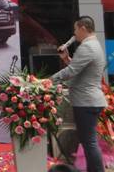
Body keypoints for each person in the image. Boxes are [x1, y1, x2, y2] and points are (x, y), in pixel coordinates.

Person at [52, 16, 107, 172]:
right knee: (88, 141)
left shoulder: (87, 47)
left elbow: (71, 71)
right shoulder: (93, 45)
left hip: (86, 101)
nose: (74, 33)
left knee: (89, 142)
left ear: (83, 28)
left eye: (76, 29)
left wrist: (48, 81)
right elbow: (78, 69)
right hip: (89, 100)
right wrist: (66, 58)